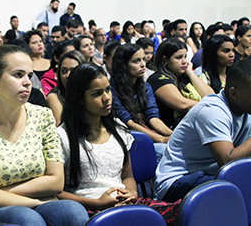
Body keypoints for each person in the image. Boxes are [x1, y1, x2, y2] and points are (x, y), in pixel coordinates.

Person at [0, 44, 89, 225]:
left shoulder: (42, 116)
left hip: (31, 204)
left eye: (30, 76)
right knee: (28, 220)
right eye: (18, 75)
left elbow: (56, 182)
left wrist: (3, 192)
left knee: (73, 212)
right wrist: (36, 203)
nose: (27, 82)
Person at [56, 62, 180, 226]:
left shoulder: (118, 128)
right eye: (97, 93)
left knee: (181, 212)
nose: (107, 97)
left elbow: (127, 176)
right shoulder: (62, 136)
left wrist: (132, 193)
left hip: (122, 202)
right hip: (88, 208)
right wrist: (98, 203)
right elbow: (57, 192)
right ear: (80, 99)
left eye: (108, 90)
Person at [155, 59, 251, 202]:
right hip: (177, 181)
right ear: (234, 94)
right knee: (239, 187)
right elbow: (228, 162)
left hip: (211, 174)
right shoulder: (212, 110)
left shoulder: (245, 108)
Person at [111, 44, 172, 161]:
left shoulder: (146, 87)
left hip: (147, 133)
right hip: (128, 139)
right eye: (136, 61)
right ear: (123, 65)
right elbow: (129, 124)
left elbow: (152, 117)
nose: (143, 64)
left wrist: (172, 135)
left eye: (143, 59)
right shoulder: (111, 90)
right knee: (165, 151)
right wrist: (161, 139)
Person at [147, 38, 214, 128]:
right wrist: (208, 104)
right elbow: (182, 105)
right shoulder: (157, 79)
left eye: (185, 57)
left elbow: (210, 96)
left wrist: (190, 73)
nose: (184, 62)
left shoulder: (184, 76)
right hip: (173, 129)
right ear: (165, 59)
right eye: (179, 57)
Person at [47, 50, 86, 126]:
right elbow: (60, 128)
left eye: (73, 71)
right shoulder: (54, 97)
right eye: (64, 71)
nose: (67, 75)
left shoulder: (88, 93)